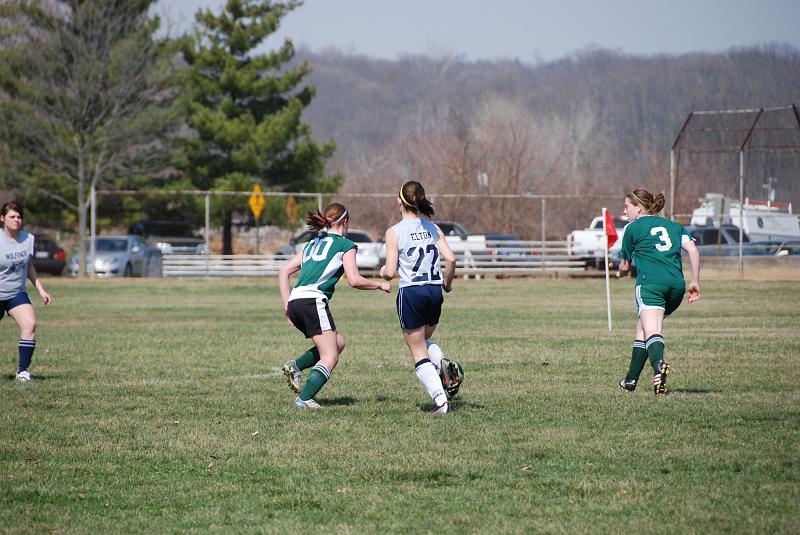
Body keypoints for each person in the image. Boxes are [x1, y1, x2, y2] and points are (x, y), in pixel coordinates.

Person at [279, 203, 390, 409]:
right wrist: (379, 284)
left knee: (337, 342)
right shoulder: (345, 245)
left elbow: (284, 271)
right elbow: (355, 280)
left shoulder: (312, 244)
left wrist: (287, 306)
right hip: (313, 301)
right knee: (331, 355)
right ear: (345, 222)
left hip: (296, 300)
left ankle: (296, 366)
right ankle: (304, 399)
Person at [380, 181, 460, 414]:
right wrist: (447, 284)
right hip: (434, 291)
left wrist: (383, 272)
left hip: (412, 292)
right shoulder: (433, 228)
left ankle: (440, 401)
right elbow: (452, 260)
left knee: (417, 351)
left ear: (399, 201)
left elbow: (391, 270)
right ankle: (441, 363)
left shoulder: (394, 231)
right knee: (422, 341)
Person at [617, 188, 700, 395]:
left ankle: (658, 366)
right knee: (642, 329)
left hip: (651, 285)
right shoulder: (674, 226)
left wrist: (619, 273)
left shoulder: (632, 228)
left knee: (652, 329)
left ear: (638, 207)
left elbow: (625, 266)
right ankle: (630, 379)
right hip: (676, 287)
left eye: (627, 206)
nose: (624, 210)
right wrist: (695, 281)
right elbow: (692, 250)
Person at [0, 202, 53, 382]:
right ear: (2, 218)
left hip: (16, 293)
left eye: (19, 216)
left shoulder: (27, 239)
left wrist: (41, 289)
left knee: (29, 324)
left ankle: (22, 371)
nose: (17, 220)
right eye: (12, 216)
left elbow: (29, 266)